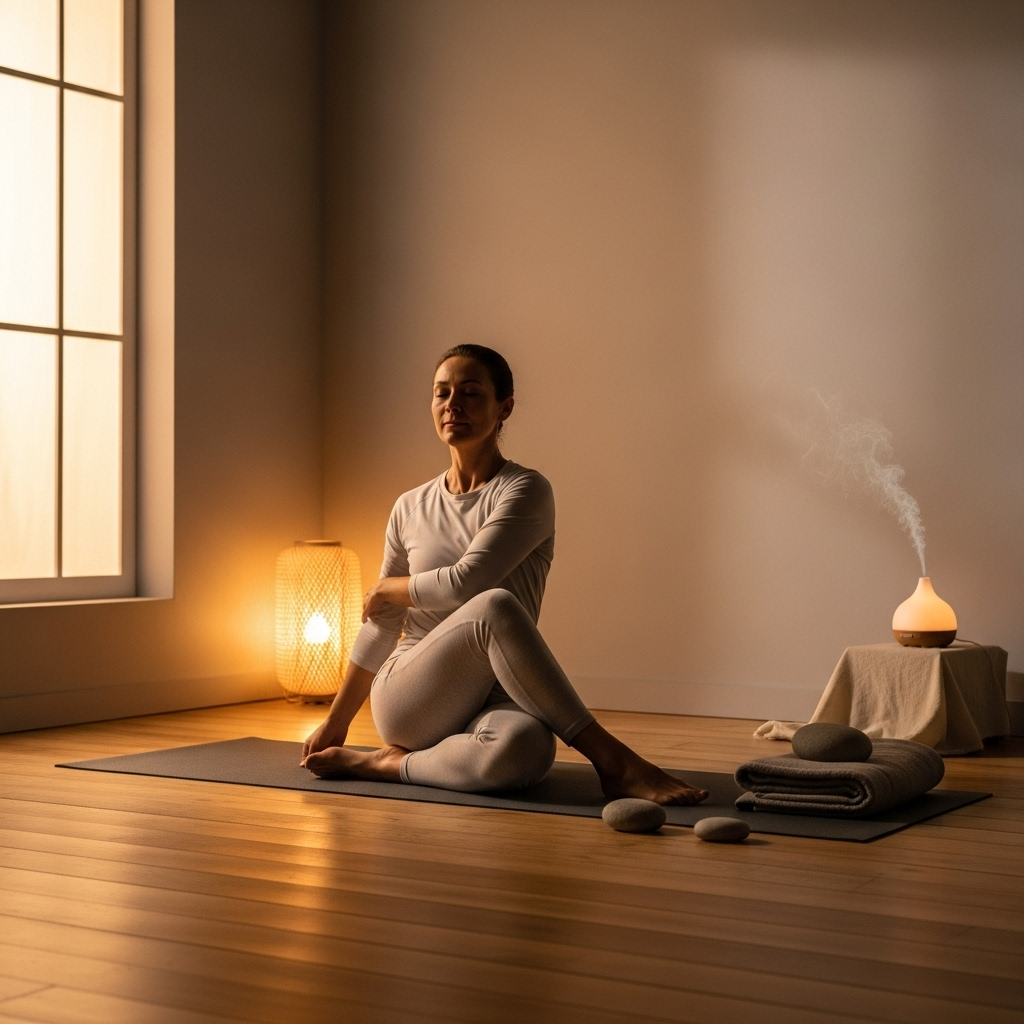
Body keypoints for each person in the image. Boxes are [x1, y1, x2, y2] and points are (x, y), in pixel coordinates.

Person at [301, 344, 708, 805]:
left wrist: (388, 588)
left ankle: (385, 764)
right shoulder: (410, 506)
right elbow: (384, 625)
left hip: (501, 691)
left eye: (471, 393)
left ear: (504, 408)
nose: (453, 405)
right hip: (414, 694)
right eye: (442, 393)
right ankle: (614, 761)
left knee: (524, 753)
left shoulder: (526, 490)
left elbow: (464, 582)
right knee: (495, 605)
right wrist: (336, 723)